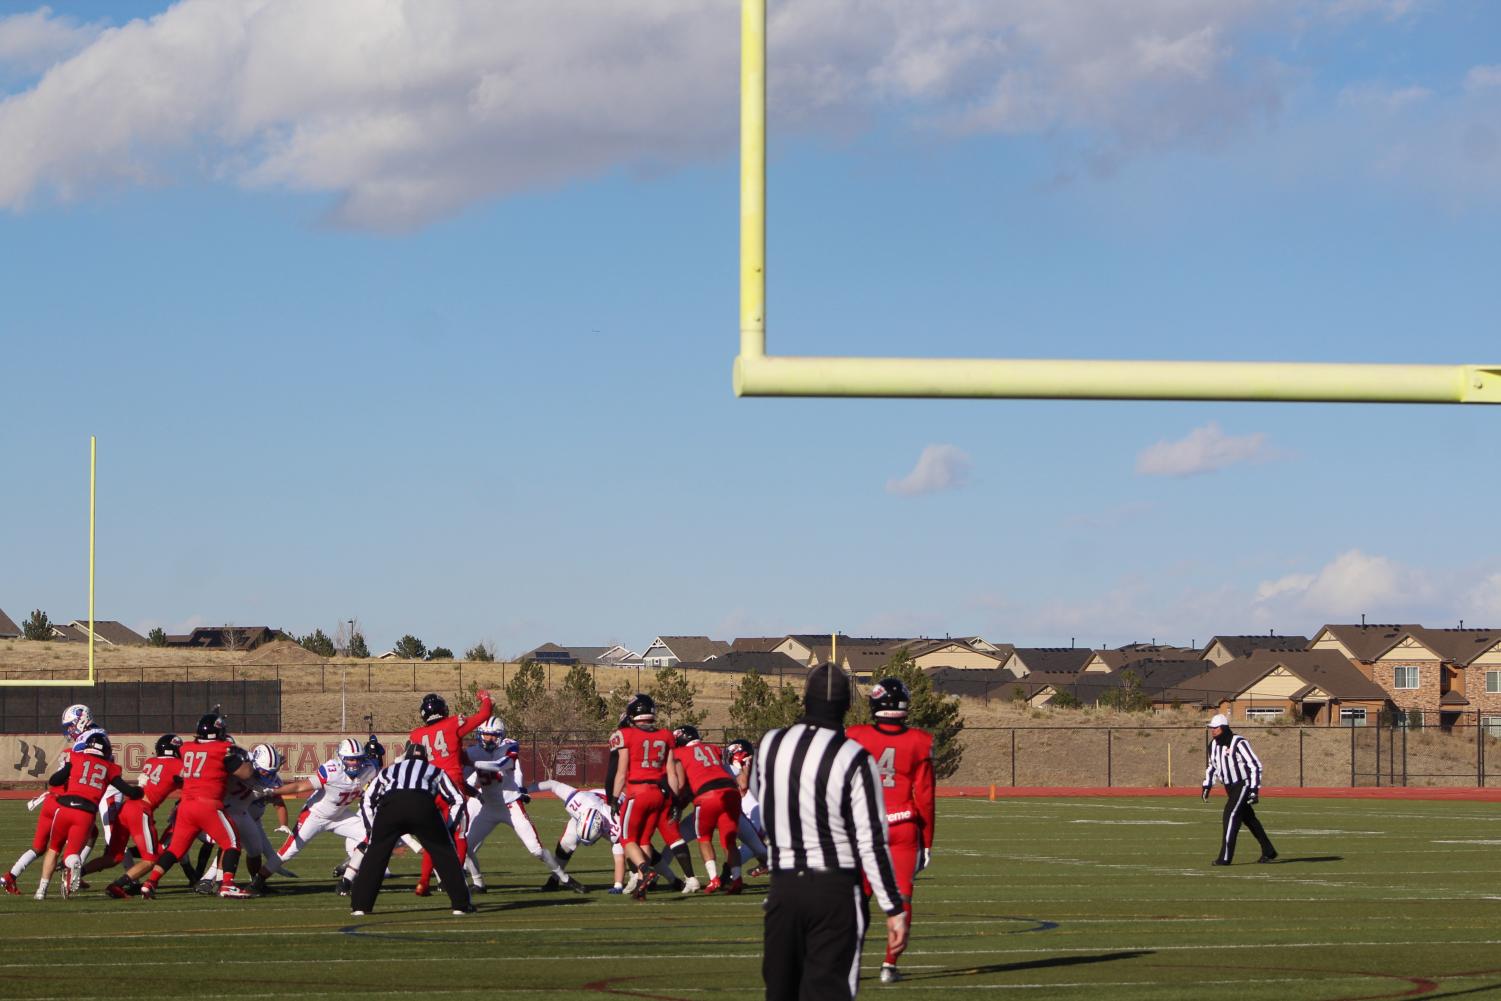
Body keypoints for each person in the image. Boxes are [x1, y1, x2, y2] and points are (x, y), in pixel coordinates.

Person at [754, 664, 907, 1001]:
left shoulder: (769, 745)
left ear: (804, 700)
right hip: (834, 891)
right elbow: (871, 840)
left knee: (780, 992)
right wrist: (893, 908)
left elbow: (763, 809)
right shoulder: (853, 756)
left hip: (784, 888)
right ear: (847, 706)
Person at [846, 677, 936, 983]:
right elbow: (925, 796)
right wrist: (927, 841)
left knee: (858, 899)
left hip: (865, 828)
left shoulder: (855, 736)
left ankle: (851, 964)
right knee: (901, 899)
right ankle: (888, 965)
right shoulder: (920, 741)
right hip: (903, 828)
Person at [461, 717, 586, 894]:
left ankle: (564, 878)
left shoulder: (508, 746)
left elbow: (504, 764)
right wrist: (472, 790)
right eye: (486, 735)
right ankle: (478, 883)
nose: (489, 739)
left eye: (493, 736)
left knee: (536, 850)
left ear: (501, 736)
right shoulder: (473, 752)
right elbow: (461, 778)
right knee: (465, 847)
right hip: (488, 807)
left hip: (511, 806)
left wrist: (475, 763)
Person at [138, 712, 255, 899]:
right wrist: (245, 758)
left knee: (175, 849)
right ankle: (227, 884)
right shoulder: (223, 749)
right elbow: (245, 774)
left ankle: (150, 882)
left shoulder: (186, 748)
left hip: (186, 806)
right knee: (232, 843)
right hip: (208, 804)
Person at [349, 744, 473, 916]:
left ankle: (360, 906)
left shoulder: (389, 771)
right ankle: (461, 905)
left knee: (375, 856)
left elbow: (367, 799)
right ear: (425, 758)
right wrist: (448, 827)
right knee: (445, 854)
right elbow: (458, 800)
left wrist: (372, 830)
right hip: (422, 806)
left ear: (406, 758)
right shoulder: (435, 770)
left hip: (391, 807)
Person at [608, 694, 699, 898]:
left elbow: (621, 772)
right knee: (643, 840)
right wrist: (675, 800)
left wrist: (614, 799)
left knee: (626, 839)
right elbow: (671, 772)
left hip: (637, 792)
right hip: (660, 794)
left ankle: (644, 870)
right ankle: (642, 885)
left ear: (632, 713)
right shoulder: (666, 735)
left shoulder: (625, 734)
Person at [33, 731, 143, 899]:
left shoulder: (76, 758)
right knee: (71, 854)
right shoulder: (110, 768)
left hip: (64, 808)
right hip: (85, 813)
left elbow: (54, 781)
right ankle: (75, 863)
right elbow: (129, 791)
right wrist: (140, 789)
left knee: (54, 849)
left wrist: (69, 769)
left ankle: (41, 892)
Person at [3, 704, 98, 895]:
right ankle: (70, 871)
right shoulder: (81, 751)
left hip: (50, 801)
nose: (69, 730)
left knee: (38, 847)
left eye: (71, 726)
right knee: (63, 844)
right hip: (64, 805)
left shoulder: (72, 750)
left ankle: (10, 876)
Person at [409, 690, 493, 895]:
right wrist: (485, 698)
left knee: (433, 837)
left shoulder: (416, 735)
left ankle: (423, 881)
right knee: (459, 834)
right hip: (451, 789)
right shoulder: (453, 723)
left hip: (428, 789)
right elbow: (484, 715)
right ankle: (453, 878)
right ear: (442, 710)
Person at [275, 737, 379, 895]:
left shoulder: (369, 768)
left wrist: (375, 752)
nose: (354, 763)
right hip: (315, 815)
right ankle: (258, 880)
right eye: (350, 759)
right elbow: (300, 786)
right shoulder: (332, 770)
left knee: (374, 837)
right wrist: (273, 792)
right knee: (289, 851)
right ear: (342, 759)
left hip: (340, 816)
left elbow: (377, 764)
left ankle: (347, 878)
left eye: (357, 759)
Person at [98, 734, 184, 897]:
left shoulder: (151, 762)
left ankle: (77, 872)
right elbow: (192, 782)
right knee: (151, 858)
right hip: (141, 810)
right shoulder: (177, 765)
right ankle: (117, 885)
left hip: (127, 807)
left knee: (113, 857)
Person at [667, 724, 742, 894]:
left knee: (704, 838)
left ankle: (714, 879)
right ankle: (737, 879)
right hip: (731, 792)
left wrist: (676, 802)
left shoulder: (679, 753)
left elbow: (680, 783)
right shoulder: (713, 748)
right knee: (729, 841)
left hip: (707, 794)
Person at [1202, 713, 1278, 866]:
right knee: (1249, 819)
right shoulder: (1213, 746)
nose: (1213, 731)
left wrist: (1254, 789)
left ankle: (1225, 857)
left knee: (1230, 815)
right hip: (1229, 786)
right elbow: (1212, 766)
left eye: (1215, 728)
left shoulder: (1238, 742)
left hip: (1243, 784)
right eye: (1211, 728)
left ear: (1223, 728)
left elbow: (1254, 765)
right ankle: (1269, 850)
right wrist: (1207, 785)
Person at [533, 778, 627, 893]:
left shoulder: (615, 825)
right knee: (566, 844)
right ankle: (554, 879)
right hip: (587, 808)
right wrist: (524, 790)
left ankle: (644, 874)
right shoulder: (578, 801)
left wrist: (618, 885)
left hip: (619, 805)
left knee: (633, 845)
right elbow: (552, 784)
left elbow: (619, 858)